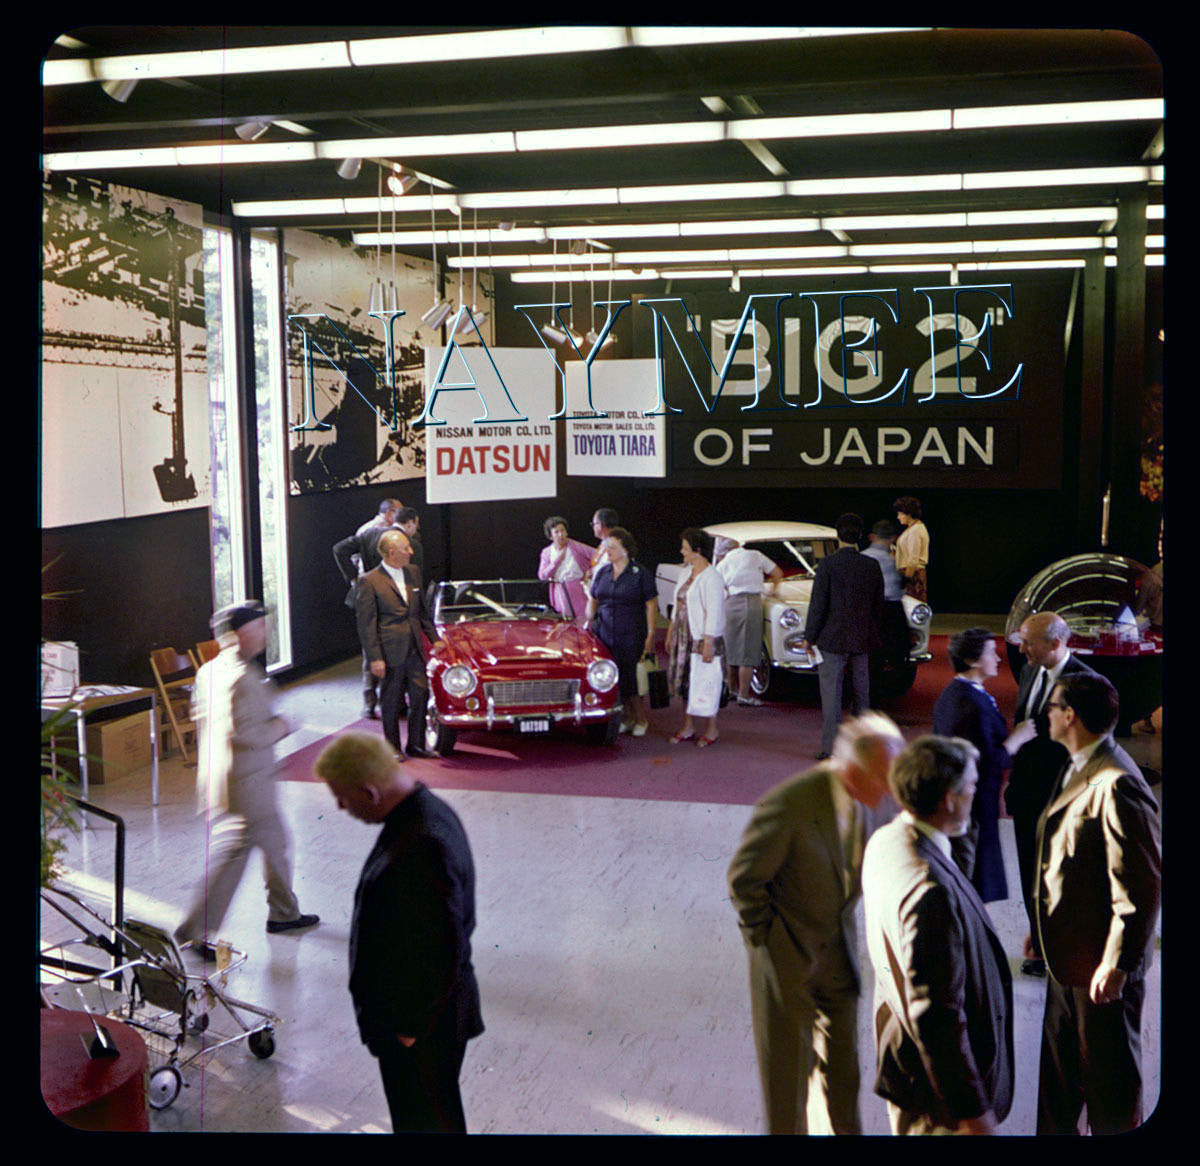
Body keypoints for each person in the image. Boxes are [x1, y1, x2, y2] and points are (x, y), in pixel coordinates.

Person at [727, 712, 904, 1134]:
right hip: (787, 963)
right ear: (850, 772)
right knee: (787, 1088)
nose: (890, 789)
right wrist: (768, 943)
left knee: (844, 1077)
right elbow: (744, 879)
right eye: (882, 776)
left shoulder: (879, 801)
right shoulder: (791, 803)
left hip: (838, 961)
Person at [314, 731, 484, 1133]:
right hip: (429, 1024)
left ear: (370, 791)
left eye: (341, 795)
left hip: (423, 1030)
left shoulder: (420, 844)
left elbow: (443, 949)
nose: (339, 806)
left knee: (424, 1124)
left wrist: (407, 1029)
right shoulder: (425, 812)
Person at [862, 735, 1014, 1136]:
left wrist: (962, 824)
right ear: (948, 798)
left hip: (907, 1068)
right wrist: (974, 1115)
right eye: (972, 786)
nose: (978, 792)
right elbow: (937, 1014)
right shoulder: (930, 894)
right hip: (941, 1105)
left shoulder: (887, 841)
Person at [1032, 672, 1160, 1135]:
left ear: (1070, 716)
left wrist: (1119, 963)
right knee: (1059, 1093)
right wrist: (1043, 925)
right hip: (1068, 962)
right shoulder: (1078, 764)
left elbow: (1141, 884)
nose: (1045, 714)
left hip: (1101, 975)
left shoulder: (1117, 783)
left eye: (1051, 707)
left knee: (1111, 1094)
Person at [174, 601, 319, 956]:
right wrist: (283, 725)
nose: (265, 634)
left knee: (277, 843)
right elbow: (248, 734)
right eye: (260, 628)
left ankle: (285, 913)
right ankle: (193, 932)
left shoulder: (210, 670)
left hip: (225, 779)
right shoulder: (244, 679)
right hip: (247, 784)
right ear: (240, 634)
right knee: (231, 862)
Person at [1002, 610, 1097, 976]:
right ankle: (1041, 944)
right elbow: (1026, 729)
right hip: (1028, 798)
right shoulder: (1029, 671)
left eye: (1029, 643)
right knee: (1031, 873)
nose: (1021, 649)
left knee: (1061, 876)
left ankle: (1062, 947)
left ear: (1055, 645)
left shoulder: (1086, 686)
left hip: (1063, 801)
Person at [932, 628, 1036, 902]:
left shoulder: (957, 693)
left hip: (970, 802)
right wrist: (1018, 739)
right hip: (976, 805)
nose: (998, 659)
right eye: (991, 653)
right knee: (974, 882)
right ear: (972, 661)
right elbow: (985, 761)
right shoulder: (970, 703)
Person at [800, 513, 883, 760]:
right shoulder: (871, 566)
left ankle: (831, 749)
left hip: (832, 640)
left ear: (837, 535)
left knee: (831, 696)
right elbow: (878, 605)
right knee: (862, 693)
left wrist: (809, 637)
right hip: (862, 638)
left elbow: (818, 605)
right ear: (860, 536)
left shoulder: (827, 565)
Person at [356, 530, 445, 759]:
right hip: (389, 650)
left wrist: (435, 639)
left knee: (421, 694)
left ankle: (415, 745)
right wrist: (375, 657)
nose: (411, 552)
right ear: (392, 552)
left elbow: (422, 612)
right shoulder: (369, 581)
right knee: (391, 700)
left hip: (415, 647)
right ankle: (392, 749)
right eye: (406, 548)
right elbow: (367, 625)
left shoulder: (413, 572)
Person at [585, 526, 658, 737]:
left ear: (625, 549)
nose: (608, 551)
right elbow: (593, 601)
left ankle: (641, 718)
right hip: (605, 634)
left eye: (613, 548)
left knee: (632, 678)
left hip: (631, 633)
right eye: (607, 547)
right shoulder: (603, 573)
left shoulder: (639, 573)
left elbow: (651, 605)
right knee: (613, 678)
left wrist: (651, 634)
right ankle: (626, 717)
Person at [334, 498, 403, 718]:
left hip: (367, 596)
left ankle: (370, 702)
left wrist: (356, 581)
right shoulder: (383, 534)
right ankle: (386, 701)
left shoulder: (365, 532)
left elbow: (341, 550)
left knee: (370, 648)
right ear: (391, 514)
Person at [665, 528, 725, 747]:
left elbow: (715, 611)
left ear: (697, 550)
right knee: (684, 682)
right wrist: (671, 630)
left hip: (702, 637)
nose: (682, 552)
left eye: (685, 548)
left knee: (707, 681)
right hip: (682, 635)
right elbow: (677, 603)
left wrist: (708, 642)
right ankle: (688, 725)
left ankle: (712, 728)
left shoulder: (712, 577)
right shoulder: (684, 572)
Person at [715, 536, 783, 707]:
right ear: (738, 545)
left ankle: (732, 690)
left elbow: (719, 586)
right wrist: (772, 592)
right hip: (751, 604)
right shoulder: (755, 555)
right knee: (748, 651)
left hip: (729, 605)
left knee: (731, 649)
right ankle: (744, 695)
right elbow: (777, 573)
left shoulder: (722, 564)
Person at [861, 520, 909, 676]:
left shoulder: (862, 557)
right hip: (891, 611)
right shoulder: (894, 560)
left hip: (867, 612)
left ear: (871, 537)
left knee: (870, 658)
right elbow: (899, 588)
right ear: (893, 538)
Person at [537, 515, 592, 624]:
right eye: (556, 532)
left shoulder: (576, 546)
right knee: (564, 626)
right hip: (559, 591)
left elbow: (597, 556)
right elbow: (542, 576)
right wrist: (556, 561)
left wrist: (590, 574)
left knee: (582, 623)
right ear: (551, 536)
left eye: (563, 530)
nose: (561, 534)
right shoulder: (547, 552)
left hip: (577, 589)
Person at [892, 496, 929, 602]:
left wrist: (906, 580)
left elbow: (913, 559)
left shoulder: (916, 530)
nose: (898, 517)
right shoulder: (912, 529)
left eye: (900, 514)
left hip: (912, 575)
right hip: (909, 574)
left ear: (907, 513)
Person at [585, 507, 619, 589]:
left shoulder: (615, 546)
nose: (593, 527)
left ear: (600, 525)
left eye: (593, 524)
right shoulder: (604, 544)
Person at [394, 507, 425, 576]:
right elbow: (415, 575)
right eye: (416, 524)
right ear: (410, 523)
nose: (417, 529)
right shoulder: (413, 545)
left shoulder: (370, 536)